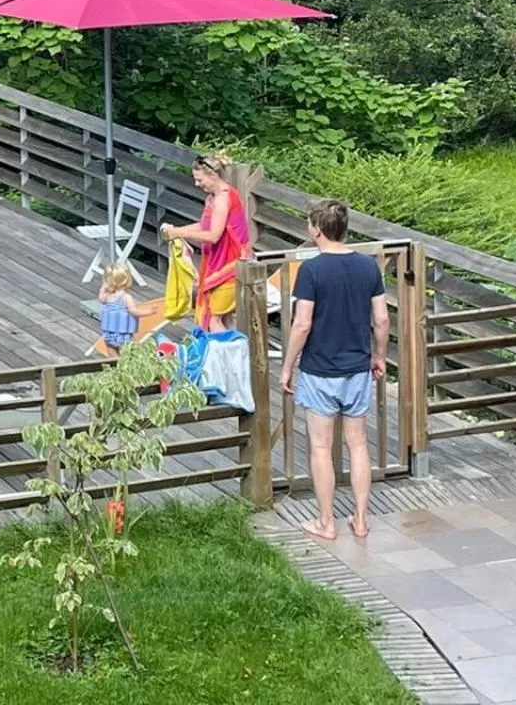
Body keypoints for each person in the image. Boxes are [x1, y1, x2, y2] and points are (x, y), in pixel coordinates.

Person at [278, 199, 390, 542]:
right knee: (358, 445)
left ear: (316, 229)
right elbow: (382, 319)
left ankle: (327, 522)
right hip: (357, 369)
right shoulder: (368, 267)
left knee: (322, 448)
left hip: (319, 370)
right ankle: (360, 519)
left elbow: (302, 324)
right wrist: (379, 356)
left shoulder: (311, 271)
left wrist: (287, 366)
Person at [159, 151, 252, 331]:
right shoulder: (212, 198)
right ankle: (230, 354)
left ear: (213, 175)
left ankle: (222, 356)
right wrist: (176, 232)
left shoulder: (223, 198)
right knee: (222, 319)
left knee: (213, 320)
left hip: (232, 264)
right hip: (217, 261)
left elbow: (213, 235)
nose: (197, 184)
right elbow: (204, 225)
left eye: (200, 180)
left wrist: (179, 232)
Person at [97, 264, 155, 351]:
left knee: (110, 348)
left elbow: (101, 300)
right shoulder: (126, 297)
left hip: (109, 331)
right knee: (126, 349)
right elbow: (134, 311)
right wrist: (150, 312)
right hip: (123, 331)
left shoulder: (107, 296)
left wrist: (103, 289)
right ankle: (123, 361)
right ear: (127, 280)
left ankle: (114, 361)